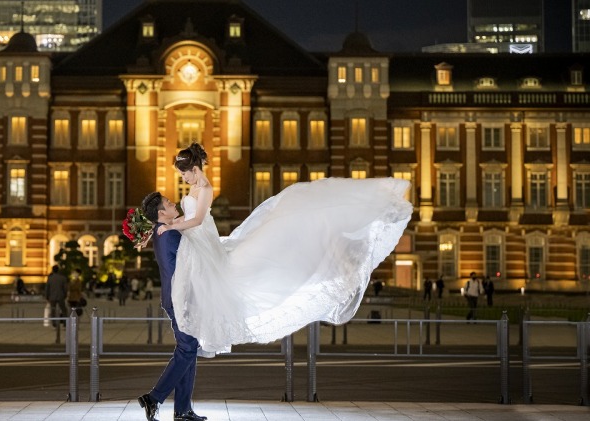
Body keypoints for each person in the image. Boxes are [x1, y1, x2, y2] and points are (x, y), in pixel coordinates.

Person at [153, 142, 413, 356]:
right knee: (205, 287)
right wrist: (167, 224)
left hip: (204, 240)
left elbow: (197, 220)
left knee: (224, 281)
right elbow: (186, 216)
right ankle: (196, 335)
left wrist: (173, 227)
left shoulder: (206, 189)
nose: (182, 178)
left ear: (194, 169)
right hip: (196, 242)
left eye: (184, 173)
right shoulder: (194, 188)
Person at [137, 192, 206, 421]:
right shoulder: (169, 235)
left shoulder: (164, 231)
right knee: (187, 348)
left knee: (189, 348)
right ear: (161, 213)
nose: (173, 203)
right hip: (181, 298)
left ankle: (183, 410)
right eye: (168, 203)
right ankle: (154, 398)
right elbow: (191, 262)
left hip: (178, 297)